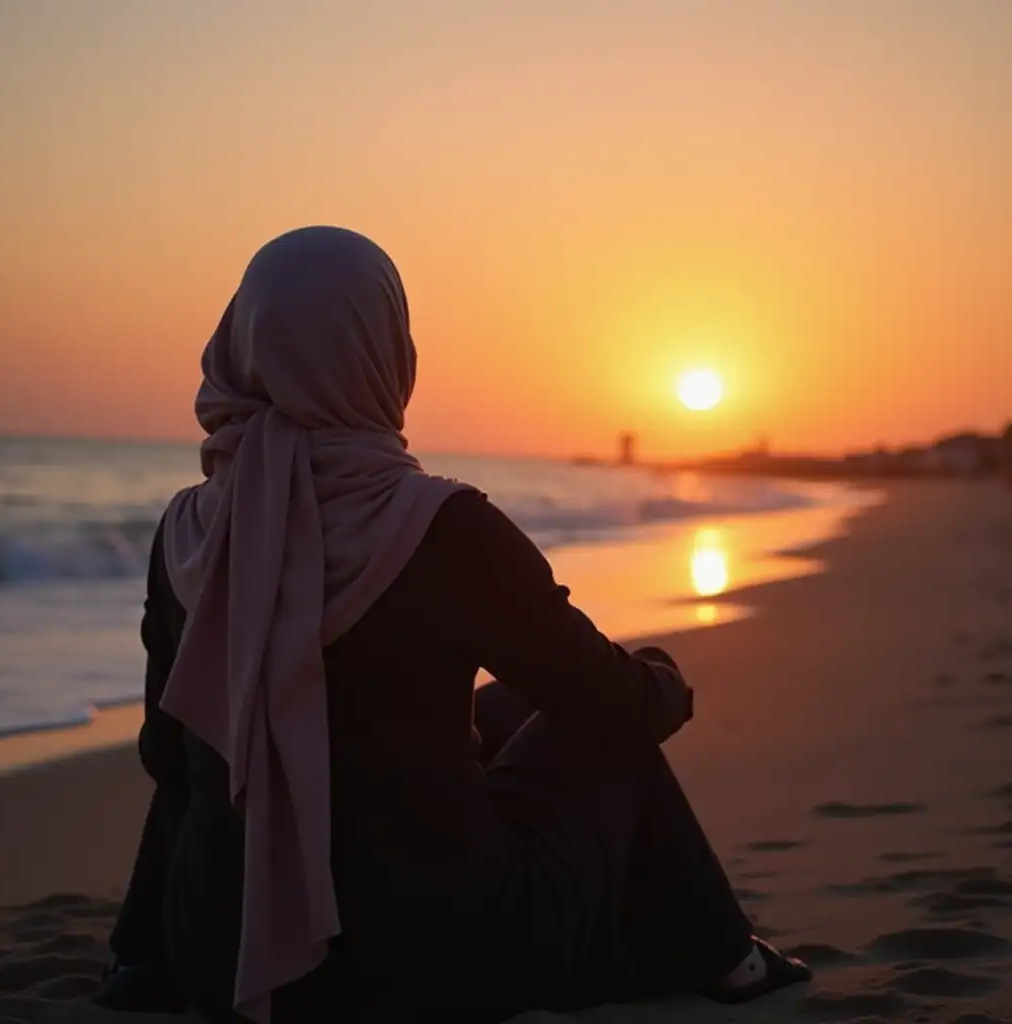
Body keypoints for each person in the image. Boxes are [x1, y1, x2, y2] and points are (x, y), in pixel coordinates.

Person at [98, 227, 810, 1024]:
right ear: (388, 353)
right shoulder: (441, 527)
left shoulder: (190, 531)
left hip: (222, 961)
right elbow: (615, 705)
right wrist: (665, 683)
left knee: (248, 723)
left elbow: (166, 753)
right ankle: (730, 960)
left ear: (241, 344)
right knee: (602, 729)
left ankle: (140, 960)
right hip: (433, 960)